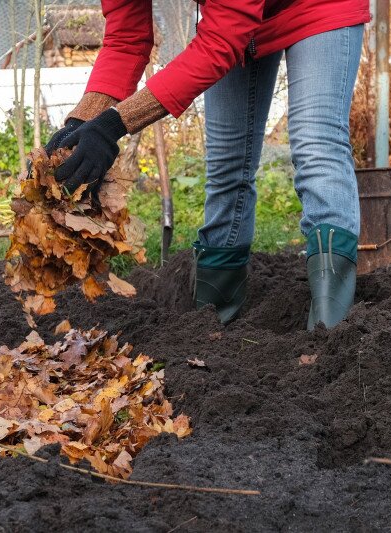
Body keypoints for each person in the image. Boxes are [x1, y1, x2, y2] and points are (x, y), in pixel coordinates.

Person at [45, 0, 371, 330]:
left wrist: (114, 124)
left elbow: (222, 39)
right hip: (236, 20)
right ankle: (211, 325)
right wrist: (80, 124)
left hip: (316, 7)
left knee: (316, 143)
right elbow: (127, 39)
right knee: (227, 162)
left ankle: (332, 334)